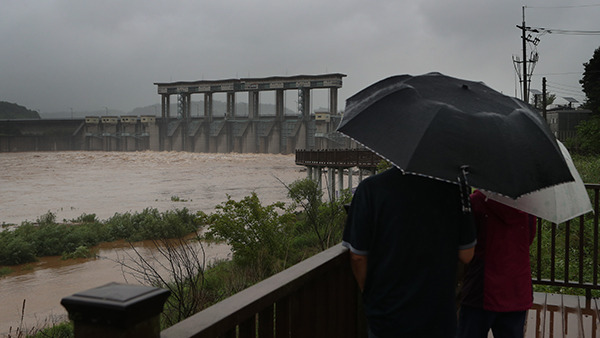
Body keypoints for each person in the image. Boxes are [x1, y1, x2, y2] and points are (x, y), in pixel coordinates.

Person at [342, 167, 477, 338]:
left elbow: (357, 256)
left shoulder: (370, 188)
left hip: (388, 314)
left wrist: (369, 293)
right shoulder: (455, 189)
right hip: (438, 315)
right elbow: (467, 255)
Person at [457, 190, 536, 338]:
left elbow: (467, 243)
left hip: (481, 289)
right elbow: (529, 239)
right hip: (517, 288)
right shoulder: (528, 205)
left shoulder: (476, 201)